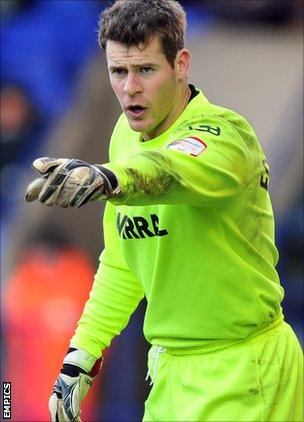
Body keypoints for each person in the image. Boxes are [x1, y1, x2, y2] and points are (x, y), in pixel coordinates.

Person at [25, 0, 303, 421]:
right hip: (170, 371)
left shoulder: (226, 136)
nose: (130, 88)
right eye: (119, 71)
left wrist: (110, 180)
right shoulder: (124, 134)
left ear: (181, 64)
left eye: (146, 70)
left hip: (244, 371)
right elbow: (122, 260)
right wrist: (80, 356)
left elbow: (174, 169)